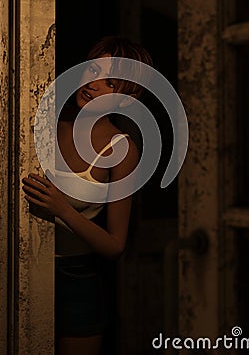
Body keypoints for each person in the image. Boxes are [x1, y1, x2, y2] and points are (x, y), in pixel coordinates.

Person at [22, 35, 153, 355]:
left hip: (76, 279)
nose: (93, 83)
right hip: (19, 265)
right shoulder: (43, 119)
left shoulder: (120, 149)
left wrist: (62, 209)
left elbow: (114, 245)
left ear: (126, 98)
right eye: (92, 69)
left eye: (109, 82)